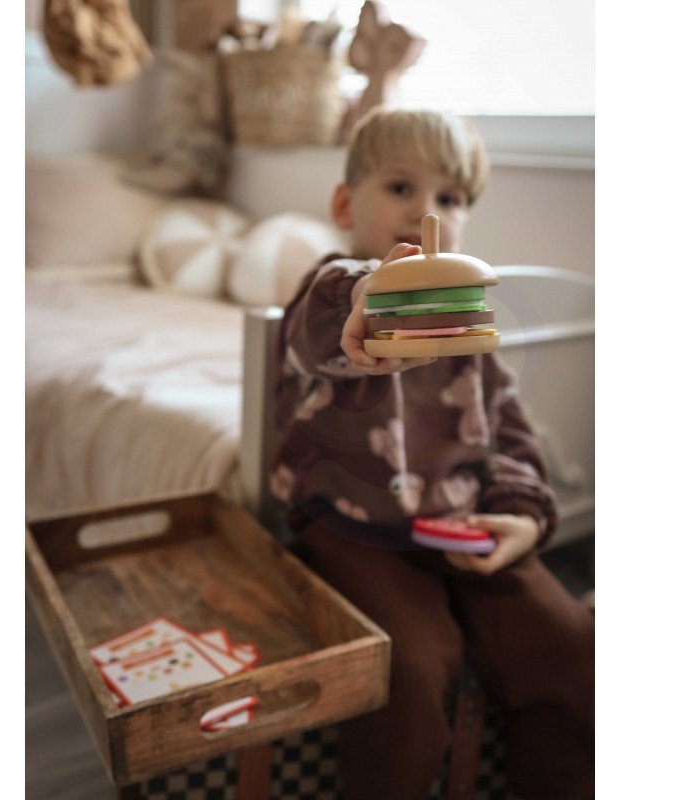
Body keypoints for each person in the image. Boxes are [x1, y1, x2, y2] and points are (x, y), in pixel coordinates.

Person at [270, 107, 594, 800]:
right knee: (412, 670)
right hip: (352, 531)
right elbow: (319, 332)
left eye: (449, 198)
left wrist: (523, 517)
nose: (426, 211)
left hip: (464, 520)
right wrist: (369, 294)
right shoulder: (330, 295)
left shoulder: (470, 336)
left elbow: (509, 437)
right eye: (399, 188)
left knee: (569, 647)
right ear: (343, 202)